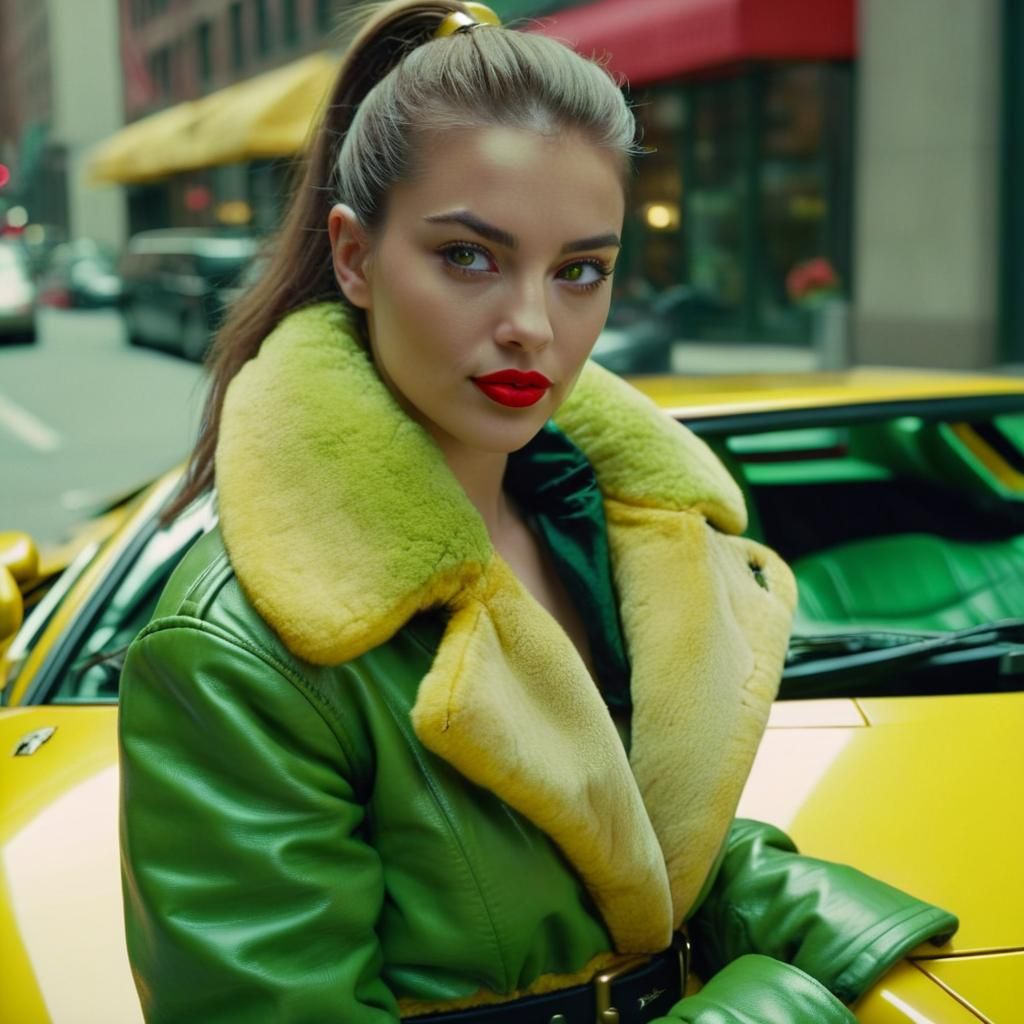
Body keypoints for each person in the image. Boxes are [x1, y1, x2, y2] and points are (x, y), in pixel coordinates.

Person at [118, 3, 957, 1022]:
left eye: (580, 271)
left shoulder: (606, 526)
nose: (532, 326)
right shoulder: (237, 652)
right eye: (469, 256)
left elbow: (627, 838)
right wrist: (776, 1008)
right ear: (352, 258)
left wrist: (855, 943)